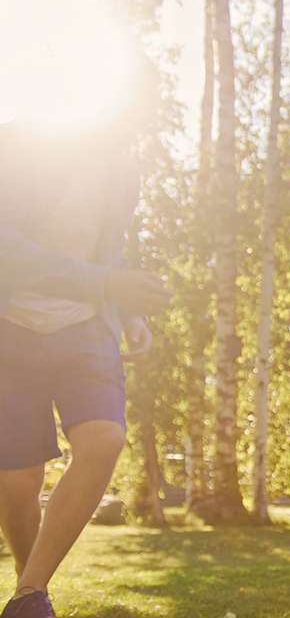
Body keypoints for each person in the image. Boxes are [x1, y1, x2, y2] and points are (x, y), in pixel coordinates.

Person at [0, 116, 171, 618]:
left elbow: (111, 250)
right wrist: (105, 284)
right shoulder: (18, 146)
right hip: (10, 326)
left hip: (86, 327)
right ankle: (29, 588)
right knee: (18, 478)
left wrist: (130, 312)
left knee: (104, 439)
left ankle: (29, 593)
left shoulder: (122, 172)